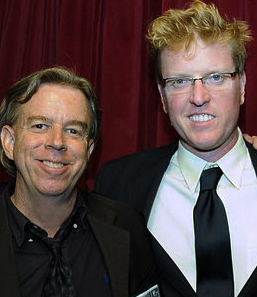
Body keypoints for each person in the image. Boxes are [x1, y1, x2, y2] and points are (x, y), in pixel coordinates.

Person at [94, 1, 257, 296]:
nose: (198, 97)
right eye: (180, 81)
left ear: (242, 85)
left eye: (216, 77)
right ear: (162, 96)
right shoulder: (118, 186)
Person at [0, 67, 159, 297]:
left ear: (89, 150)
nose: (57, 142)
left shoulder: (126, 228)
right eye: (40, 126)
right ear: (9, 142)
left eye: (73, 130)